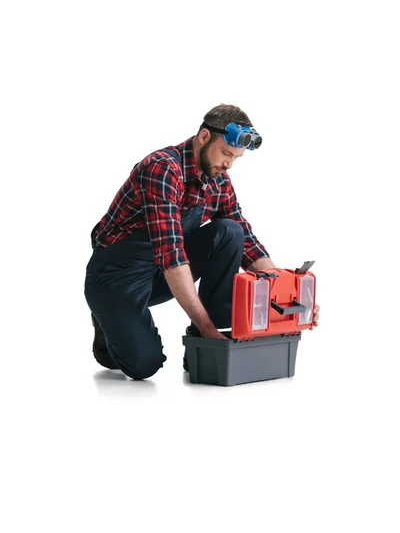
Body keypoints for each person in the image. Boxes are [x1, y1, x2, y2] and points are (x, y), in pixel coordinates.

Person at [84, 104, 319, 380]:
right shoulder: (162, 169)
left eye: (236, 158)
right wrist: (206, 326)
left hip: (158, 274)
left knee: (231, 232)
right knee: (143, 365)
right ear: (204, 137)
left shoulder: (218, 180)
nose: (229, 164)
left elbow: (246, 239)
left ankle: (207, 348)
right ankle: (106, 322)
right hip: (116, 277)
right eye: (226, 154)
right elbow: (171, 254)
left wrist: (281, 292)